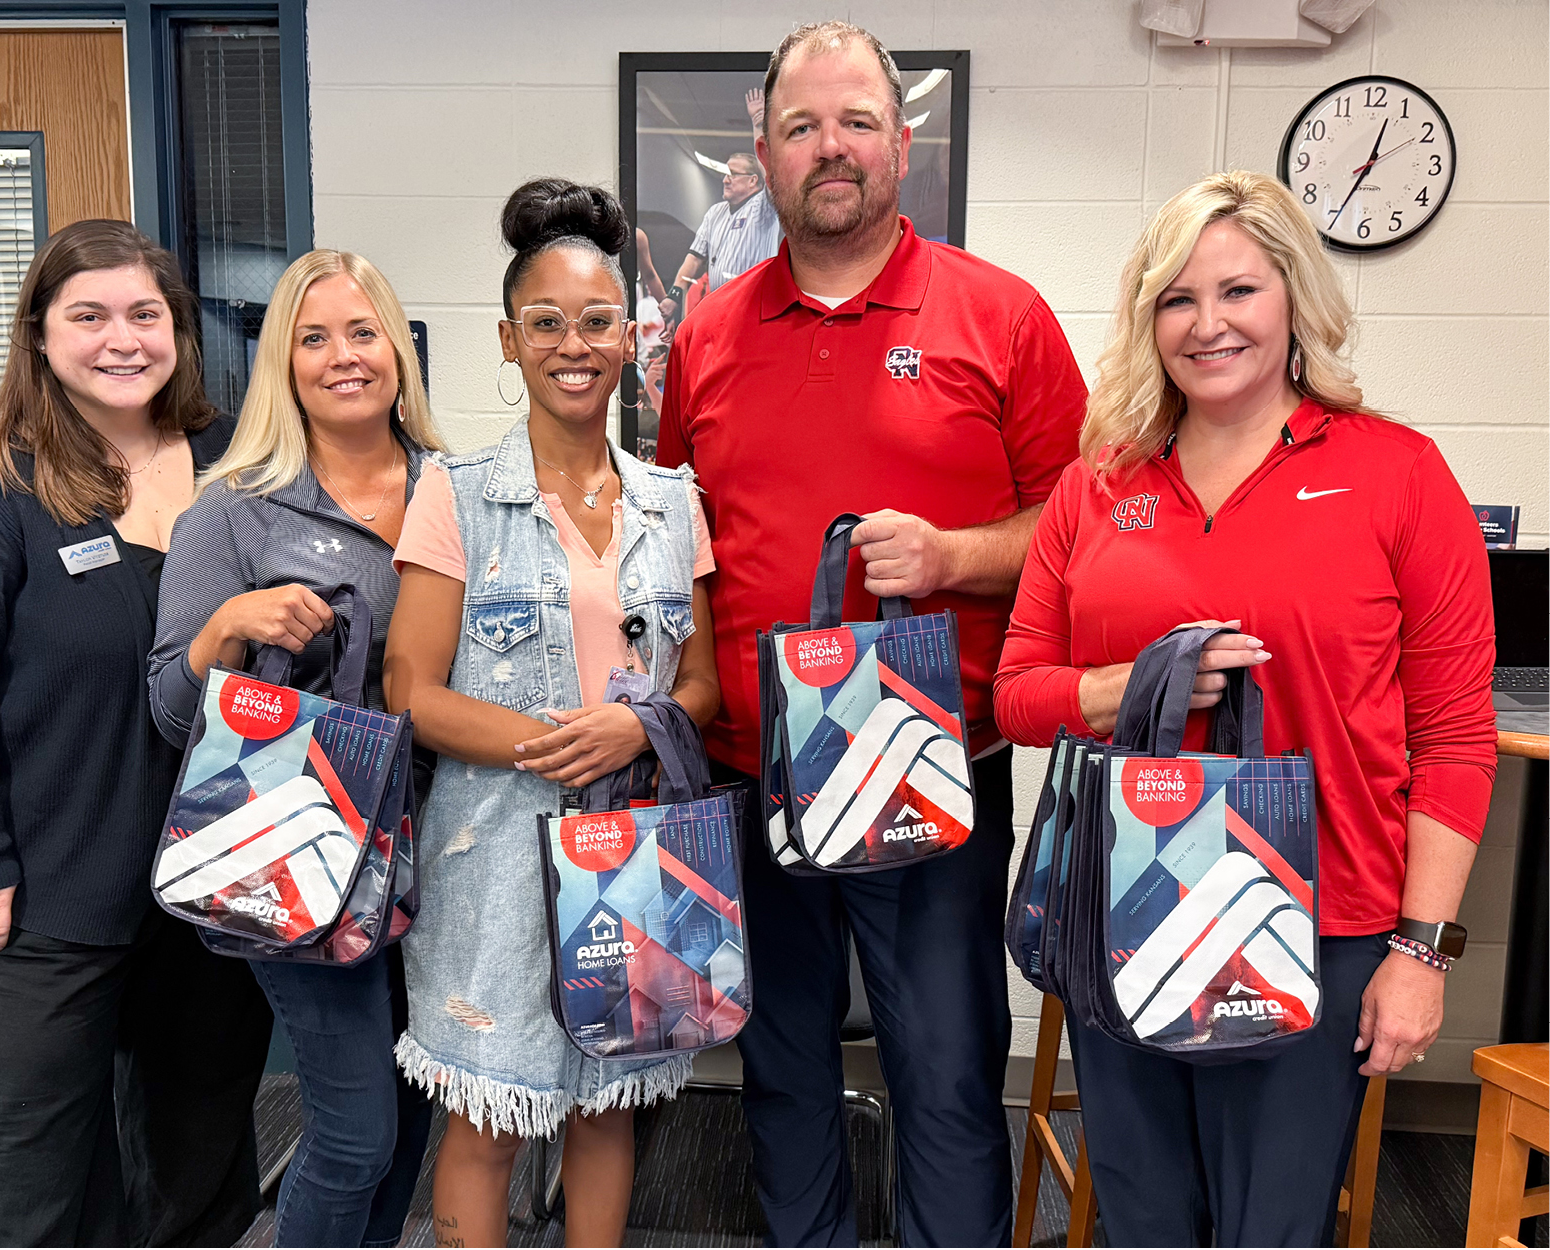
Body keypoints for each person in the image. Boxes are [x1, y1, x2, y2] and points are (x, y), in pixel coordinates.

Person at [992, 170, 1497, 1247]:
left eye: (1237, 290)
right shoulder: (1097, 484)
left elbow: (1451, 737)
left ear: (1292, 300)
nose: (1206, 323)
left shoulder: (1397, 474)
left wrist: (1420, 953)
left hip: (1324, 920)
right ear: (1146, 317)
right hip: (1125, 903)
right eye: (1175, 297)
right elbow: (1017, 691)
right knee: (1142, 1214)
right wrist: (1119, 683)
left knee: (1271, 1223)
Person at [655, 21, 1087, 1247]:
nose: (828, 148)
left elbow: (1078, 516)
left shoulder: (998, 315)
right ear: (763, 154)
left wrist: (954, 557)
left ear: (901, 144)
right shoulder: (706, 334)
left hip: (933, 767)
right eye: (800, 127)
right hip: (753, 770)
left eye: (853, 122)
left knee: (944, 1067)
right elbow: (673, 532)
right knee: (781, 1065)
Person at [0, 219, 272, 1246]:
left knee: (199, 1142)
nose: (121, 339)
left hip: (217, 879)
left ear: (179, 328)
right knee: (40, 1160)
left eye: (145, 313)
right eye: (89, 315)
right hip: (50, 882)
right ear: (40, 333)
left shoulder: (231, 454)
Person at [383, 177, 720, 1249]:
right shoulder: (453, 490)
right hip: (490, 855)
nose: (572, 344)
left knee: (606, 1102)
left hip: (630, 847)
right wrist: (557, 744)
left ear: (628, 336)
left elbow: (702, 683)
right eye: (545, 323)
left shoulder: (674, 500)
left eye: (594, 321)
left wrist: (635, 728)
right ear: (509, 337)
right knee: (488, 1112)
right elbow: (410, 688)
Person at [147, 248, 444, 1247]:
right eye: (312, 338)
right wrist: (228, 622)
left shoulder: (458, 492)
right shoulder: (233, 506)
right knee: (354, 1134)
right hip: (299, 854)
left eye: (362, 331)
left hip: (441, 853)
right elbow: (168, 708)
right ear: (282, 362)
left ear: (398, 349)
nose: (342, 356)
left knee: (410, 1123)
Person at [658, 88, 778, 333]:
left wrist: (758, 124)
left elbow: (770, 171)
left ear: (753, 181)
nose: (725, 179)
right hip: (721, 308)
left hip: (758, 310)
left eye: (733, 174)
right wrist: (674, 296)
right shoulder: (715, 213)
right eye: (725, 173)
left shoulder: (764, 208)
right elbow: (693, 260)